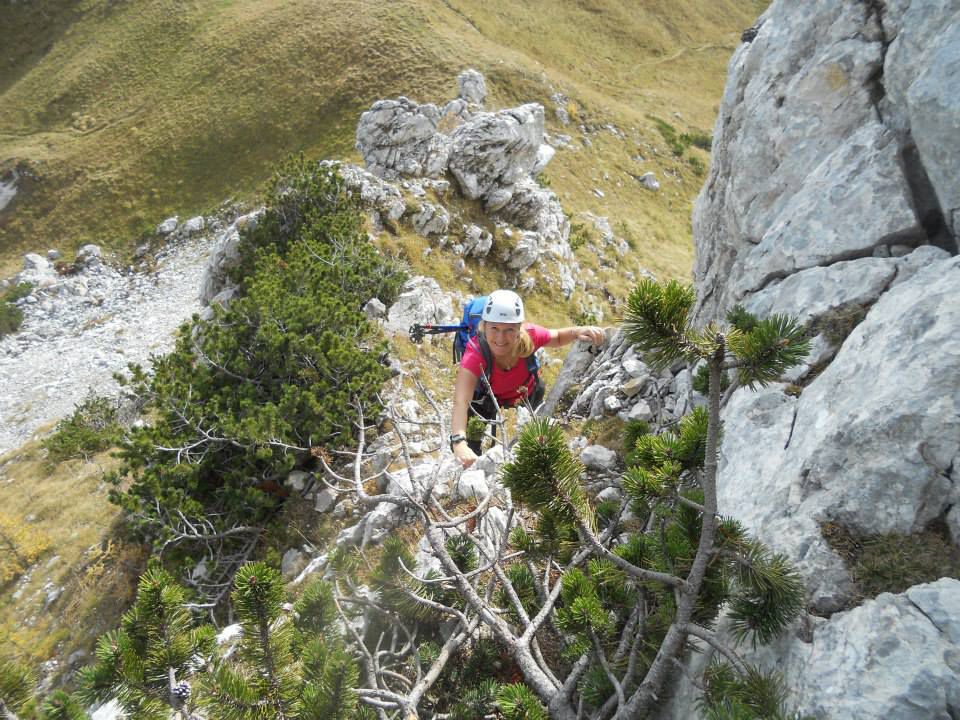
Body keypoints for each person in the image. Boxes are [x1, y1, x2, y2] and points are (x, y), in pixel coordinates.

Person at [449, 289, 605, 468]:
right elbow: (461, 402)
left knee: (535, 443)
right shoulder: (475, 353)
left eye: (509, 329)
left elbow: (558, 337)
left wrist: (578, 331)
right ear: (484, 326)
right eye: (494, 328)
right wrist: (459, 442)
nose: (501, 338)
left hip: (527, 394)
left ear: (519, 328)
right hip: (483, 401)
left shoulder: (530, 336)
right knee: (470, 451)